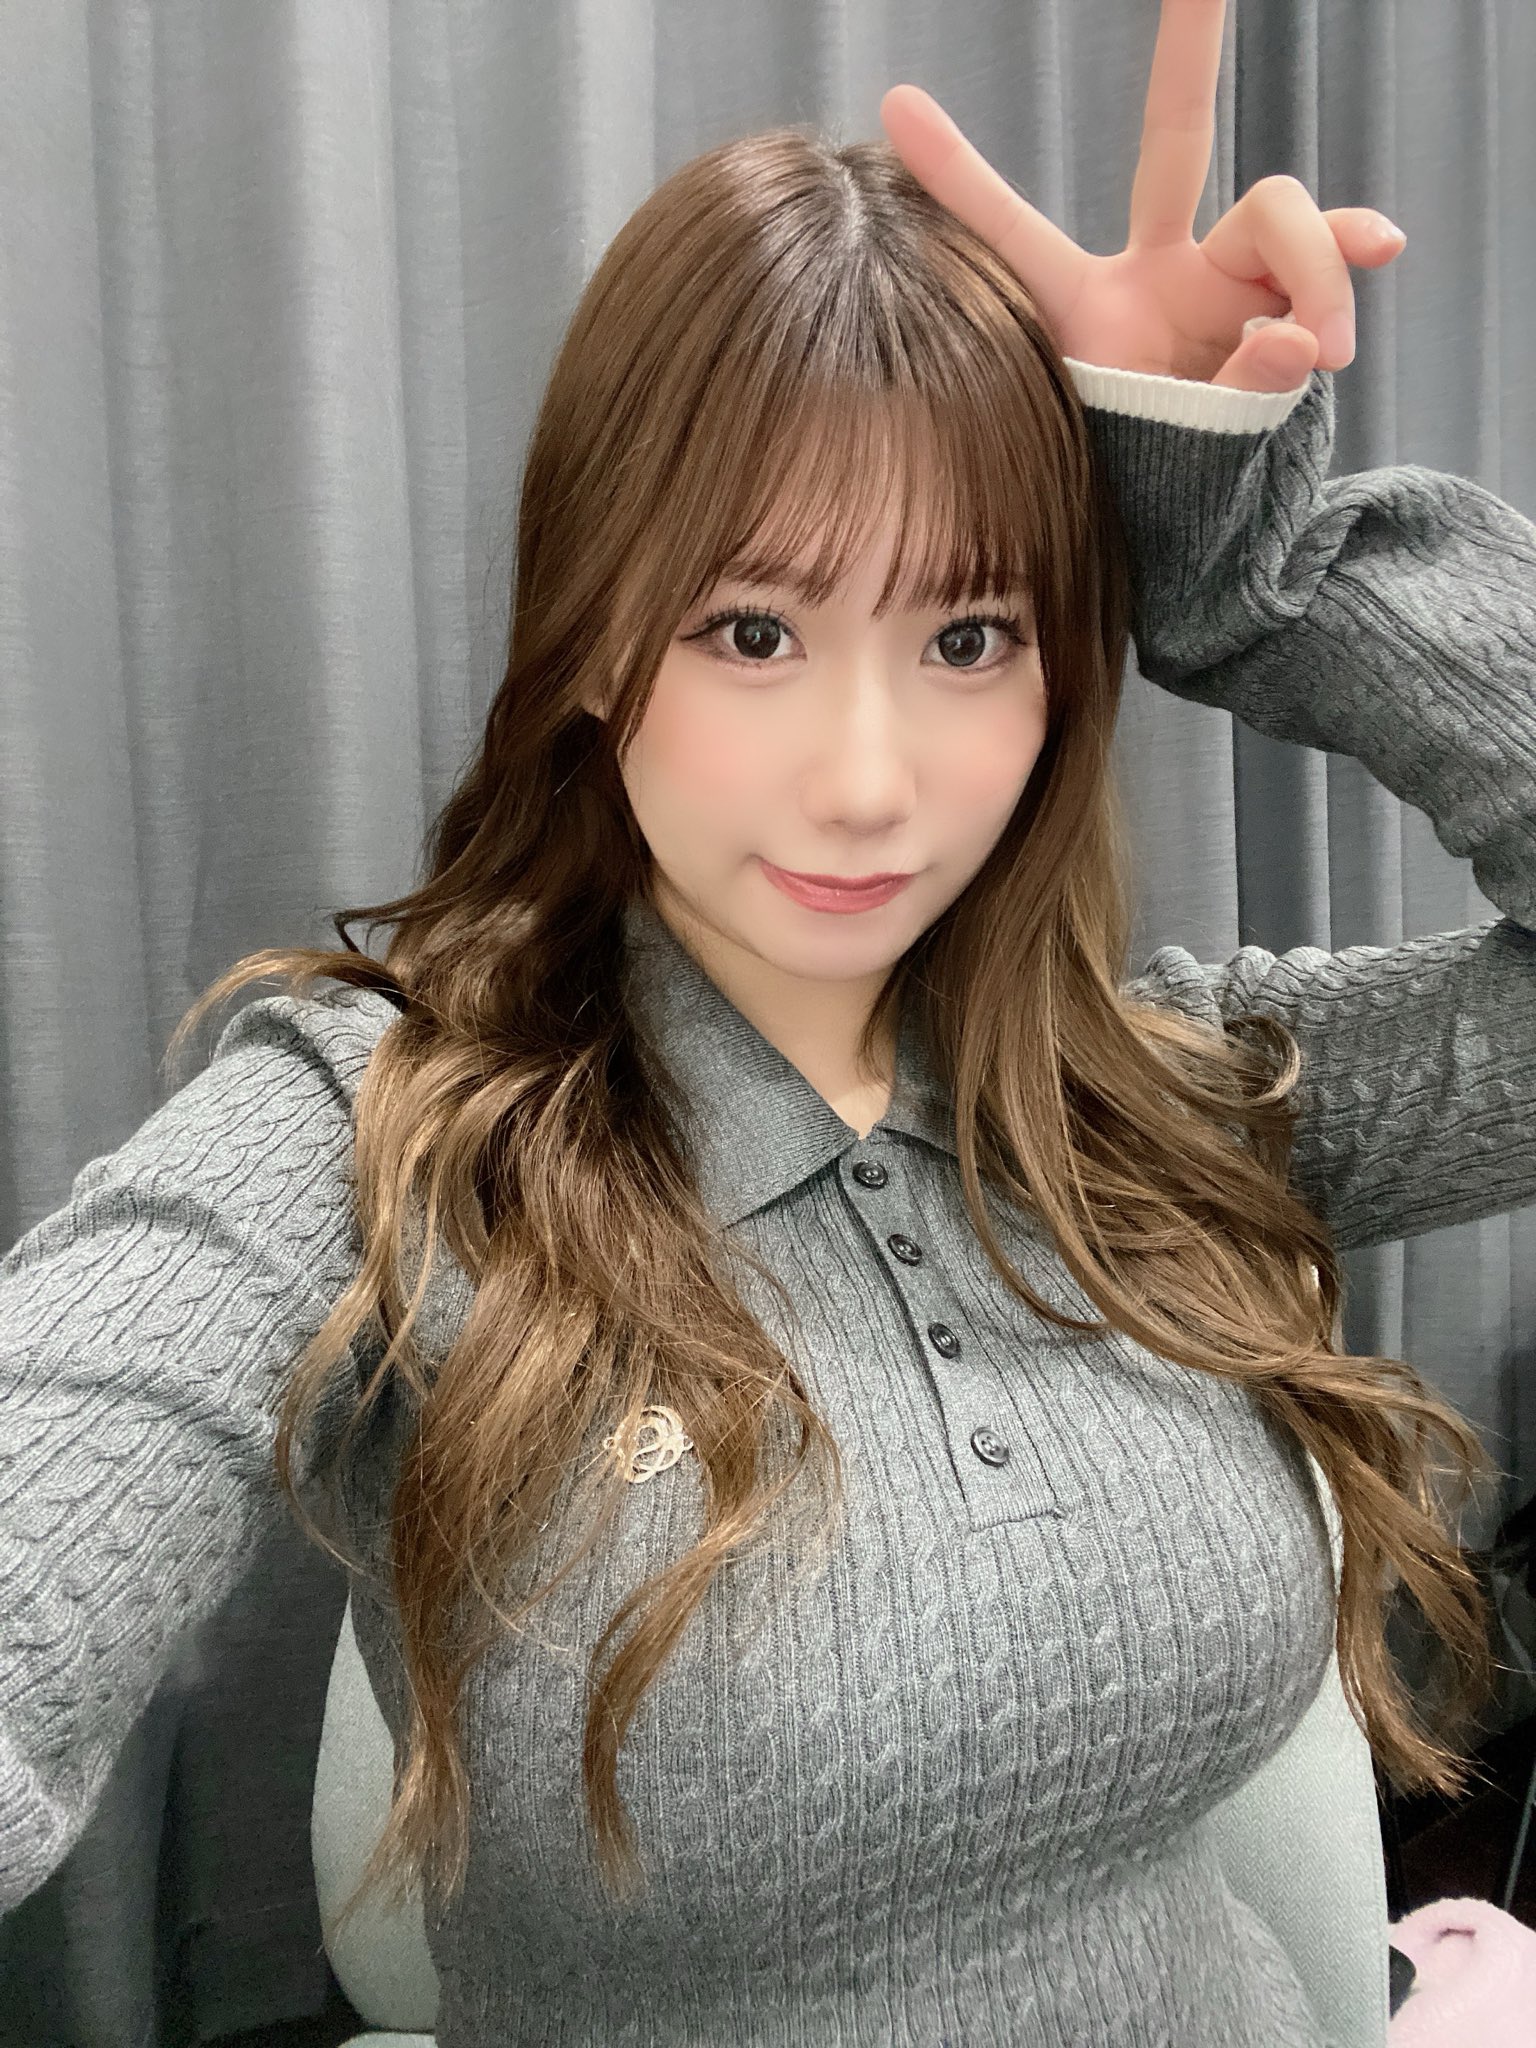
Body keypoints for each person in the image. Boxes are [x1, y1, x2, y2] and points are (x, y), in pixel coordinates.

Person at [3, 1, 1532, 2040]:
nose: (869, 783)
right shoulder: (381, 1142)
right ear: (593, 635)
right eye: (753, 629)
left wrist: (1237, 559)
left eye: (969, 632)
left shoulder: (1158, 1097)